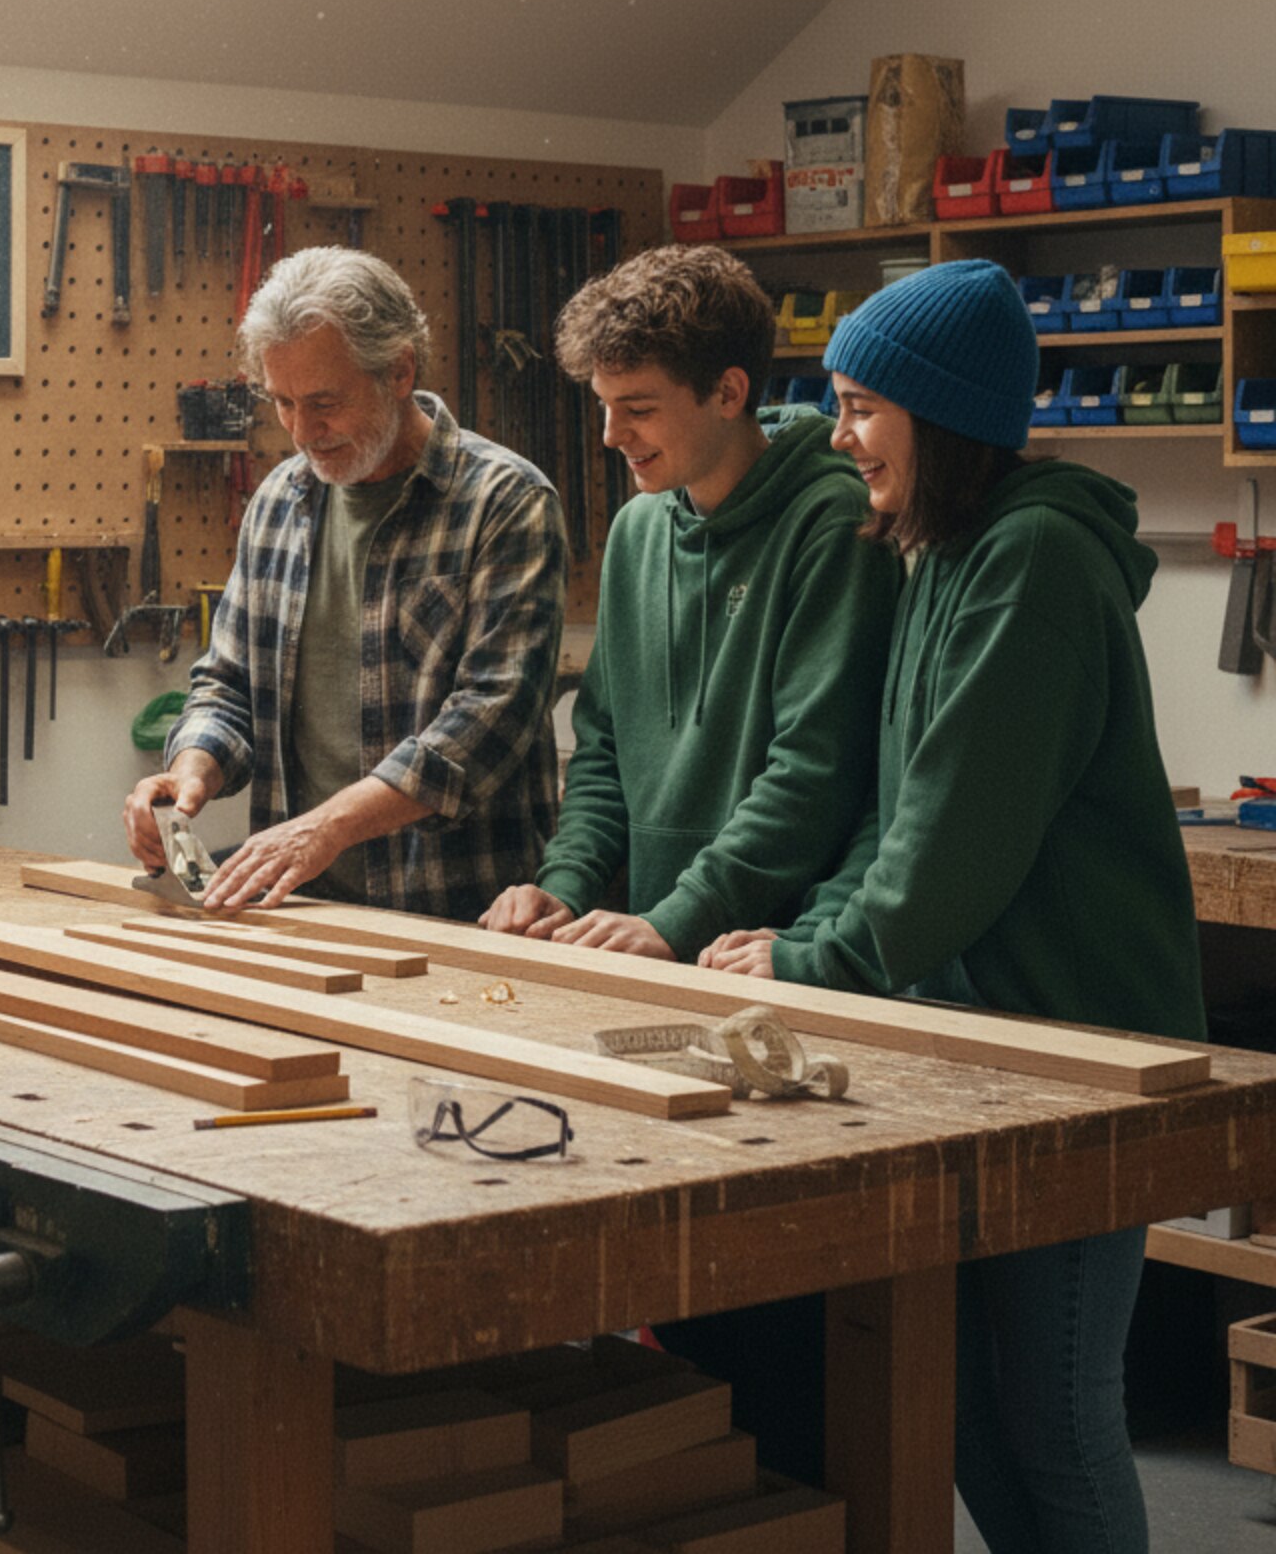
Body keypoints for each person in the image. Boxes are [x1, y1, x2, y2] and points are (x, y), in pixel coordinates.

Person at [701, 257, 1204, 1554]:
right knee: (963, 1407)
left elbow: (958, 848)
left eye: (865, 405)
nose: (839, 432)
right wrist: (802, 933)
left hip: (1086, 1052)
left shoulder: (1035, 562)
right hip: (986, 1038)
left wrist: (817, 960)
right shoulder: (941, 549)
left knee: (1057, 1411)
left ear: (944, 415)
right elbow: (896, 807)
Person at [480, 243, 898, 961]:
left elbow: (812, 771)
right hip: (660, 940)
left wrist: (681, 916)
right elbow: (603, 749)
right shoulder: (638, 529)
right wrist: (567, 886)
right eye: (606, 408)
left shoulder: (832, 520)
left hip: (775, 945)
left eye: (638, 409)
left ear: (729, 393)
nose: (612, 437)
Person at [122, 246, 567, 918]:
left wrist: (327, 827)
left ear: (398, 371)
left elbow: (488, 721)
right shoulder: (279, 500)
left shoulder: (505, 501)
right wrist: (192, 769)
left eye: (324, 403)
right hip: (309, 910)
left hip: (459, 908)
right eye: (283, 403)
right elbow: (228, 684)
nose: (303, 431)